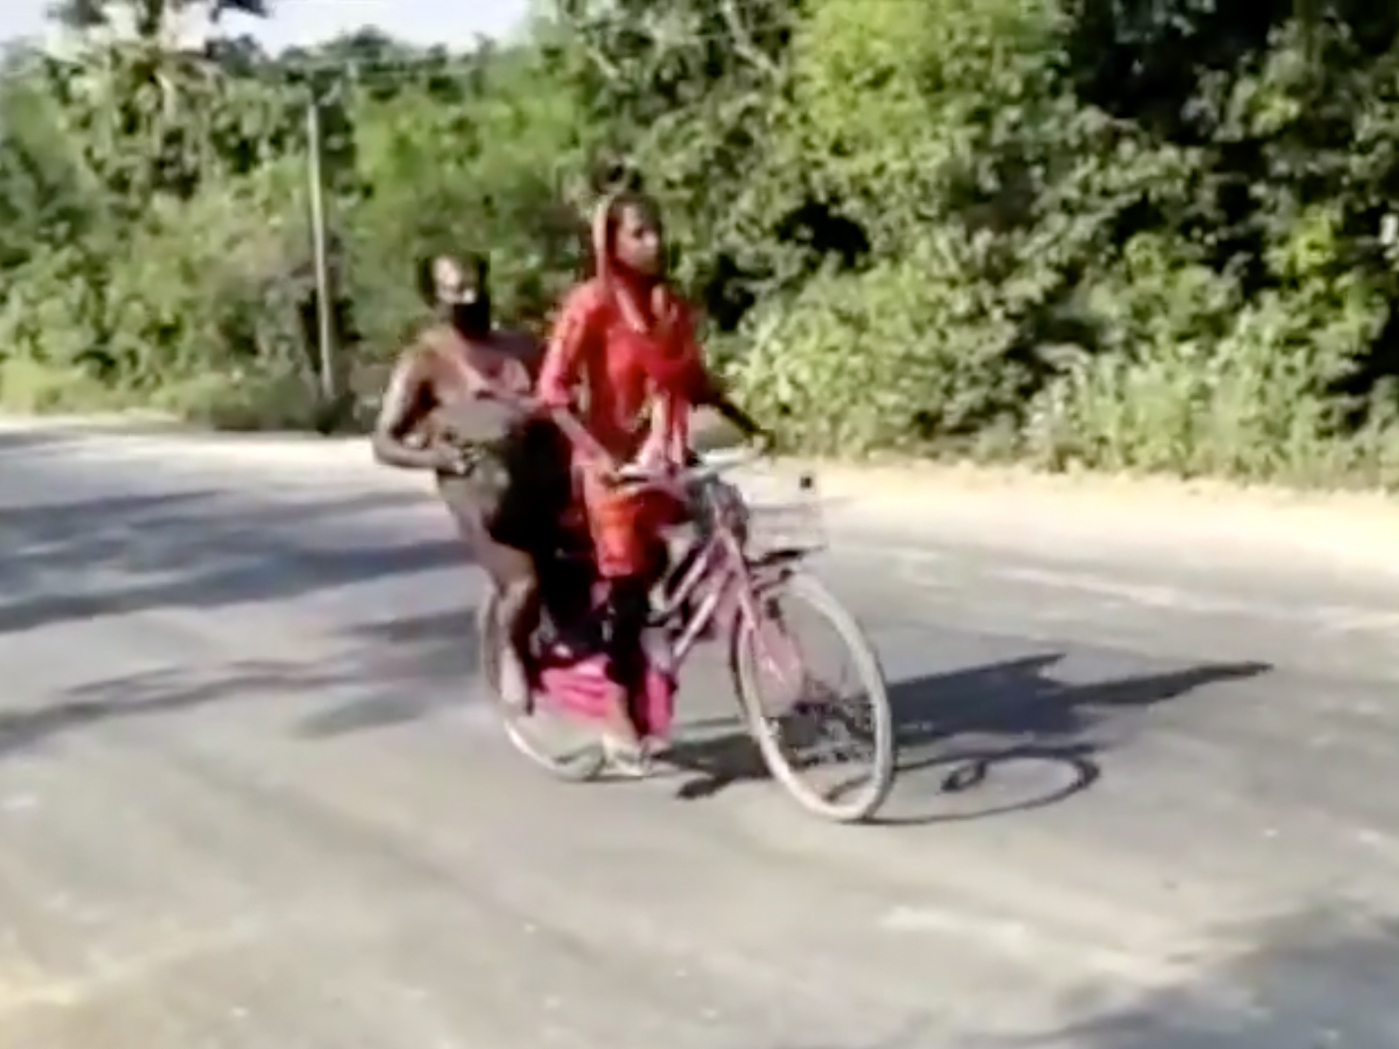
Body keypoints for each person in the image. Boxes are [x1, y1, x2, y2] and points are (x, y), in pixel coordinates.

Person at [536, 189, 764, 761]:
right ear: (610, 243)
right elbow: (553, 394)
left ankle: (669, 631)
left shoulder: (669, 308)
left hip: (665, 457)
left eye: (656, 230)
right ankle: (616, 704)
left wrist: (751, 424)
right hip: (611, 471)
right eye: (638, 233)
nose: (653, 242)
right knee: (628, 591)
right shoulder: (589, 305)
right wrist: (598, 455)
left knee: (729, 520)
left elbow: (694, 382)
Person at [372, 252, 574, 709]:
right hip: (479, 489)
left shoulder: (521, 347)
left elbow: (563, 400)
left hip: (538, 473)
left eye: (475, 285)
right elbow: (384, 441)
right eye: (455, 290)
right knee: (524, 583)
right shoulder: (425, 361)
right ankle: (512, 652)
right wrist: (435, 456)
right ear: (435, 299)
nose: (470, 297)